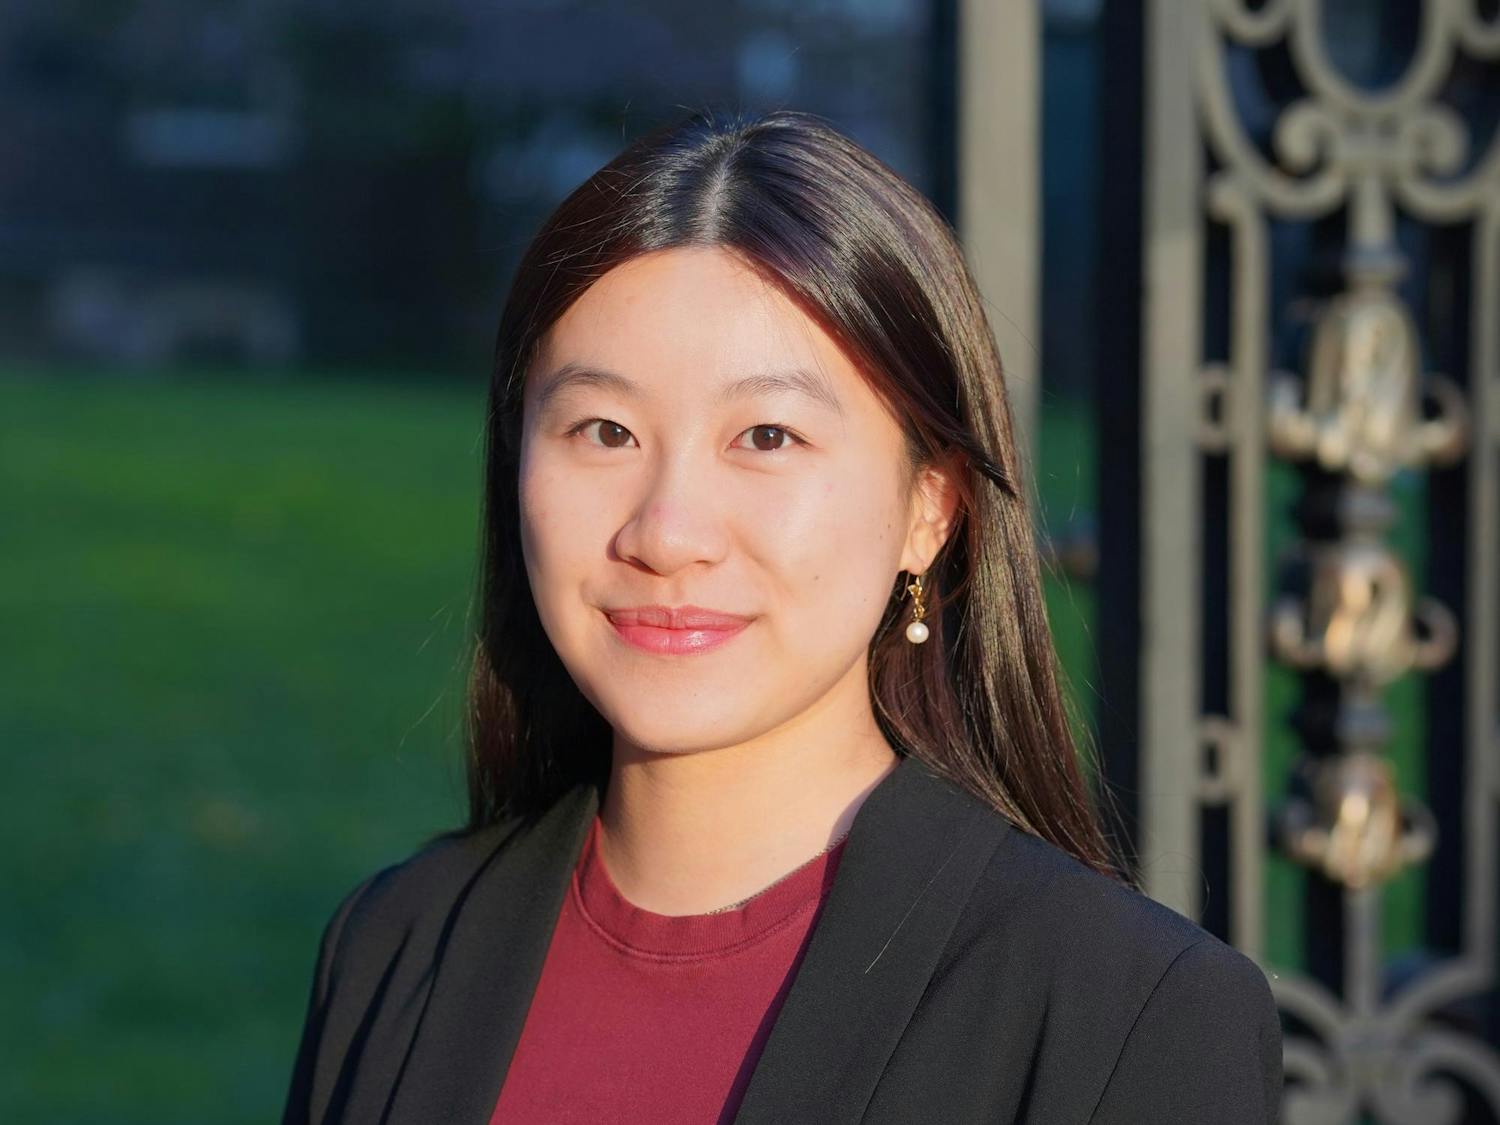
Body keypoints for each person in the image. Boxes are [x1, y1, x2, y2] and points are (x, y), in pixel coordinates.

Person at [280, 107, 1283, 1124]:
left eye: (766, 435)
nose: (667, 533)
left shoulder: (1124, 1017)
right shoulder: (397, 947)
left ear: (929, 509)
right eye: (605, 429)